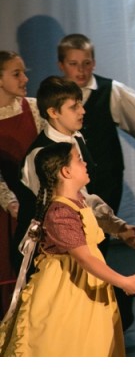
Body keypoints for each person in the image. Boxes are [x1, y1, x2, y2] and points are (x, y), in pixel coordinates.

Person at [56, 33, 135, 329]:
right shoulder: (54, 96)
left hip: (105, 179)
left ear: (94, 63)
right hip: (68, 184)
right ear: (62, 65)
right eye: (74, 64)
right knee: (78, 247)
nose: (81, 70)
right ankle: (98, 307)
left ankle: (113, 311)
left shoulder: (108, 90)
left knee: (97, 243)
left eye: (86, 63)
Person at [0, 142, 135, 356]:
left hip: (88, 280)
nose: (85, 163)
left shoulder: (79, 200)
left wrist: (122, 229)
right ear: (66, 172)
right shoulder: (60, 212)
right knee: (68, 342)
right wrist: (124, 282)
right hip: (67, 286)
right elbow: (84, 258)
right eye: (79, 159)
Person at [13, 77, 135, 277]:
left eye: (80, 104)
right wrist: (117, 227)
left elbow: (84, 197)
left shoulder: (76, 137)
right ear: (53, 112)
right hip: (49, 258)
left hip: (77, 247)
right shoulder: (41, 156)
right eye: (74, 107)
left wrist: (119, 226)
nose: (83, 111)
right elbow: (66, 208)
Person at [0, 51, 44, 316]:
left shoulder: (34, 108)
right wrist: (9, 201)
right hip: (5, 210)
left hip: (33, 207)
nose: (25, 79)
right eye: (16, 74)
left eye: (24, 72)